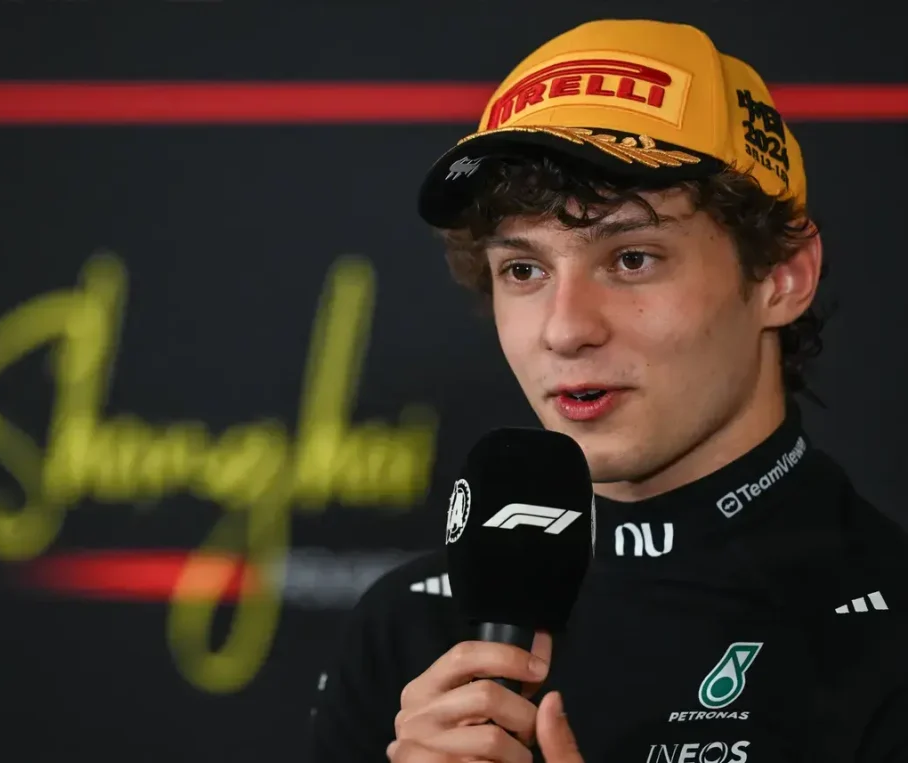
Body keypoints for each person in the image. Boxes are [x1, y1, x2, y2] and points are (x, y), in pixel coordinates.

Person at [307, 18, 908, 763]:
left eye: (631, 259)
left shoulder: (884, 633)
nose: (565, 330)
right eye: (524, 269)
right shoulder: (408, 630)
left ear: (783, 277)